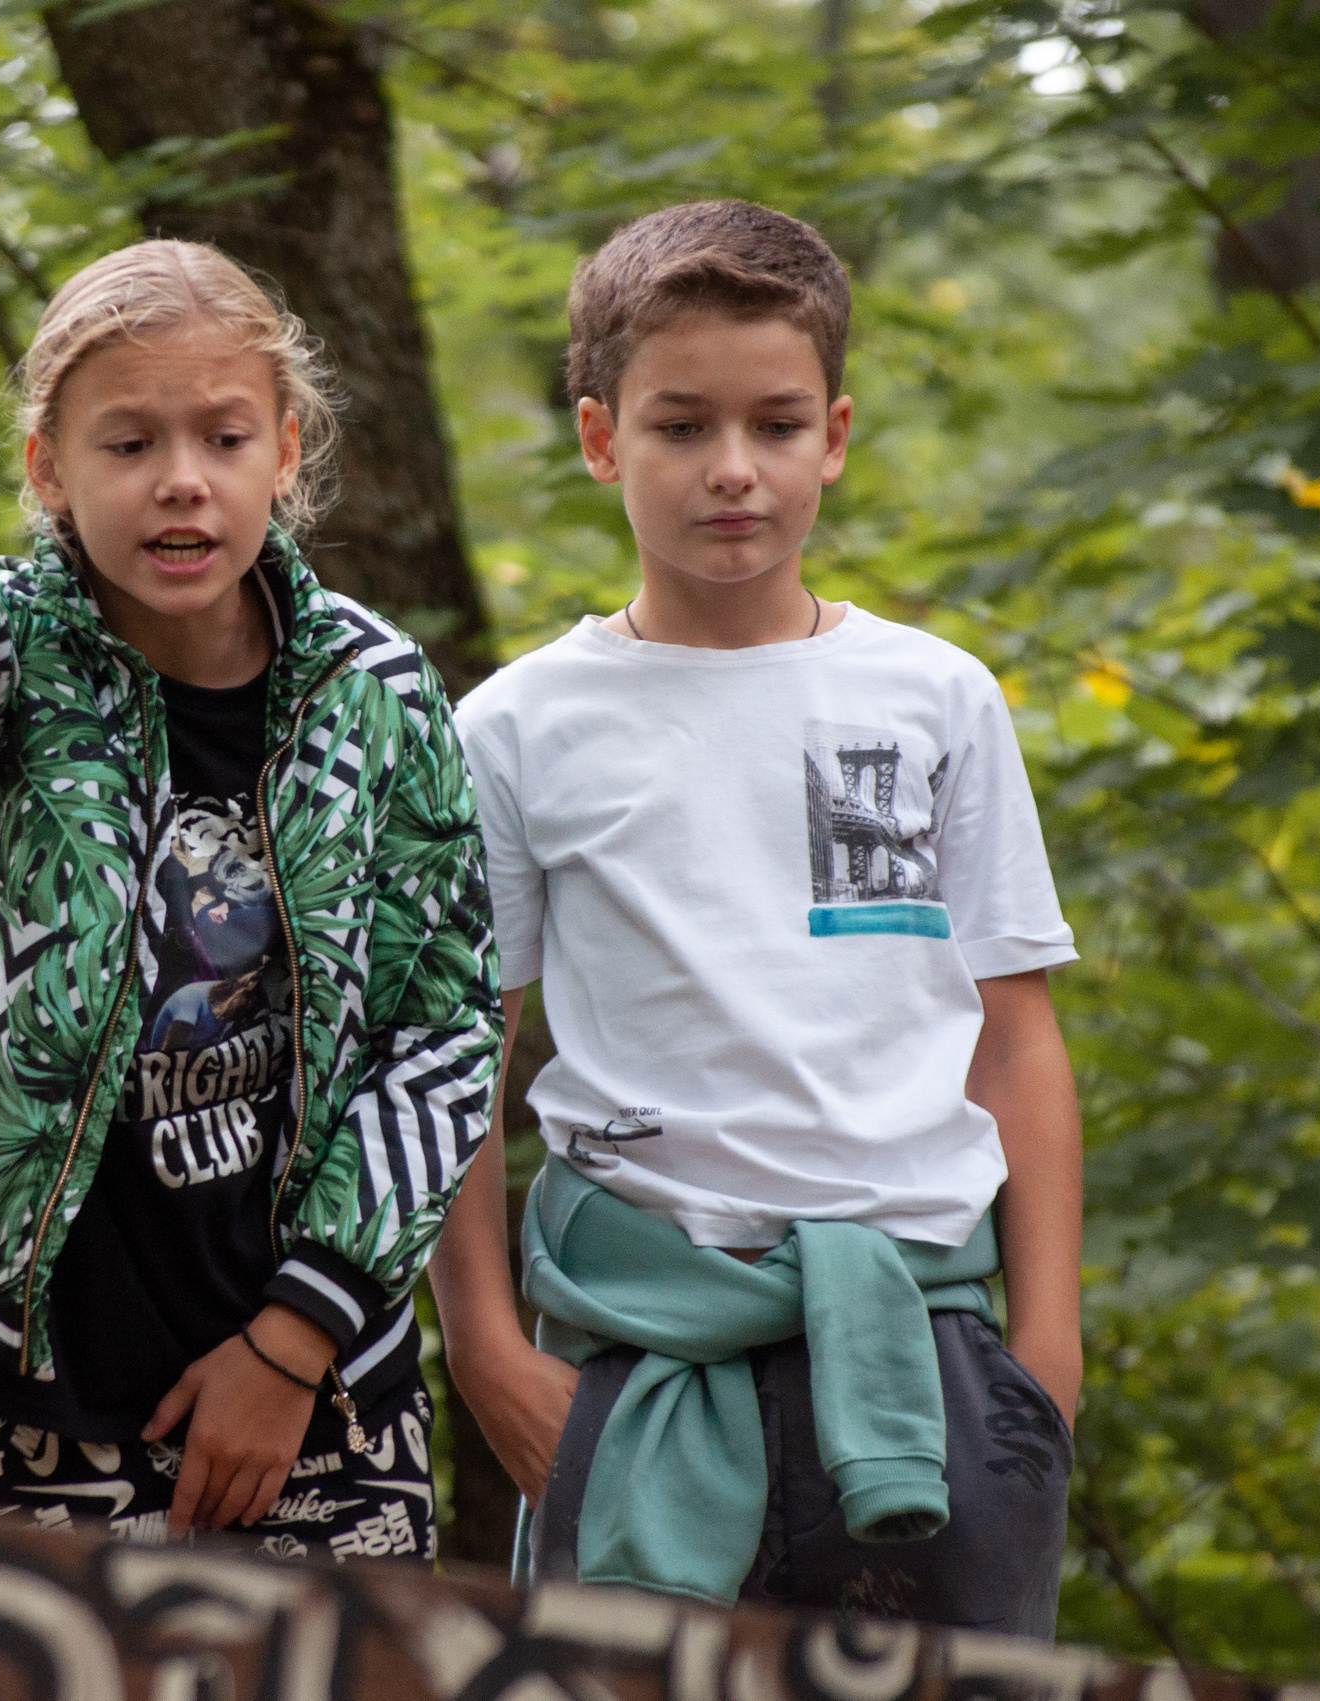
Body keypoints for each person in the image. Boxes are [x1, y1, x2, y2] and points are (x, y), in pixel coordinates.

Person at [430, 200, 1081, 1634]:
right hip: (647, 1352)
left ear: (835, 435)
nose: (733, 469)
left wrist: (1044, 1356)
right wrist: (487, 1348)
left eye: (777, 425)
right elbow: (457, 1057)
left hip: (930, 1346)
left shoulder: (936, 698)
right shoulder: (517, 727)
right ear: (602, 438)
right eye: (680, 427)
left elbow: (1014, 1036)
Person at [0, 240, 501, 1562]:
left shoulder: (377, 691)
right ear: (46, 470)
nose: (182, 479)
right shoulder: (16, 661)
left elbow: (444, 1032)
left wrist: (300, 1332)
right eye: (130, 443)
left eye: (222, 434)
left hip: (330, 1400)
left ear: (285, 450)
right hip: (52, 1394)